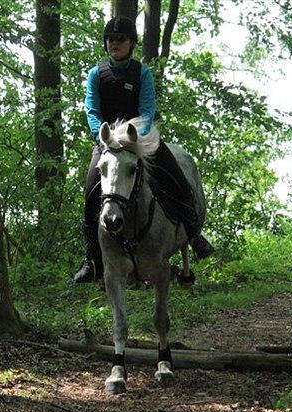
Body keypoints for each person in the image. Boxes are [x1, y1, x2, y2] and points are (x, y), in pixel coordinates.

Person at [73, 16, 214, 283]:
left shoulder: (143, 73)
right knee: (91, 191)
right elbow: (92, 110)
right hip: (108, 145)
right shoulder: (96, 74)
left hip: (141, 140)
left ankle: (194, 234)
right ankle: (92, 260)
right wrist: (102, 136)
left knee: (176, 177)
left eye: (120, 40)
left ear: (131, 43)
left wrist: (133, 134)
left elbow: (147, 110)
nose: (115, 44)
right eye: (111, 40)